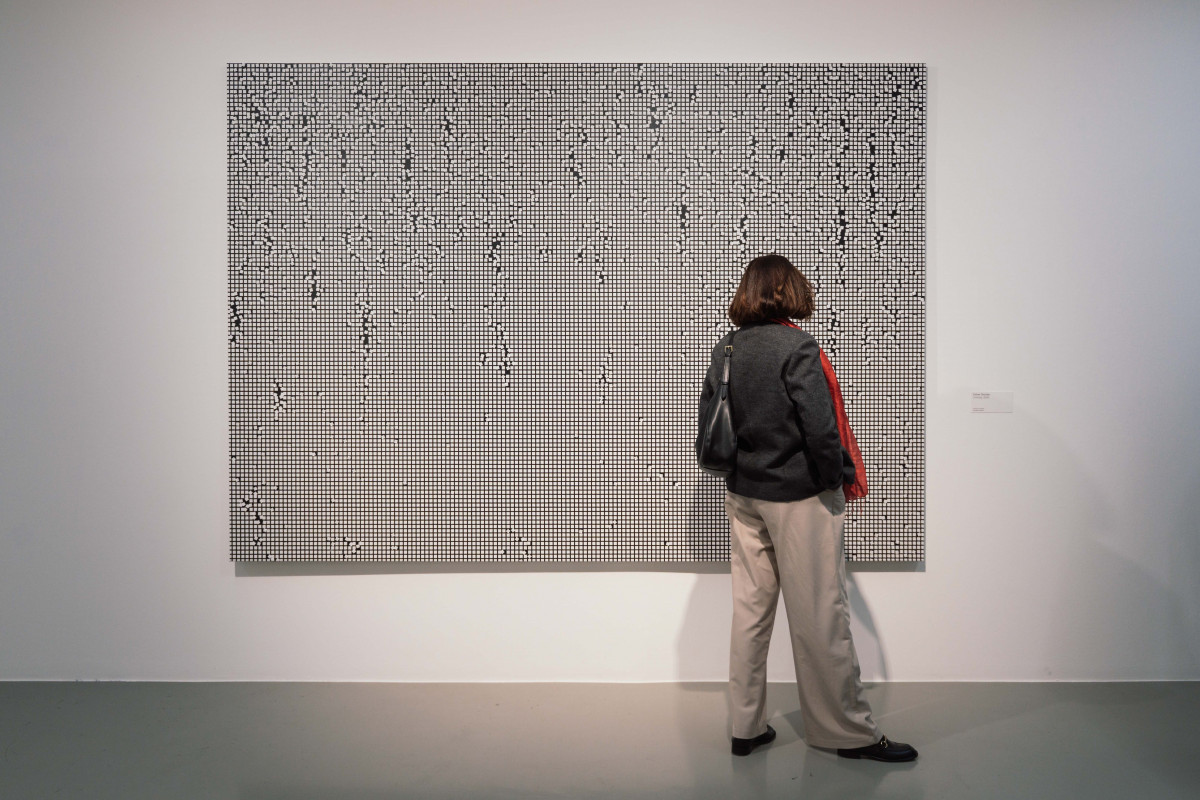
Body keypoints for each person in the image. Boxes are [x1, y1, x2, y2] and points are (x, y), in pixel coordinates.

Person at [697, 253, 918, 763]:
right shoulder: (797, 347)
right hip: (799, 497)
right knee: (820, 615)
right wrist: (832, 479)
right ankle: (848, 733)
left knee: (750, 614)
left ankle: (745, 727)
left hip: (744, 495)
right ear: (789, 291)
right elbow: (820, 428)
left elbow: (712, 418)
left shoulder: (727, 347)